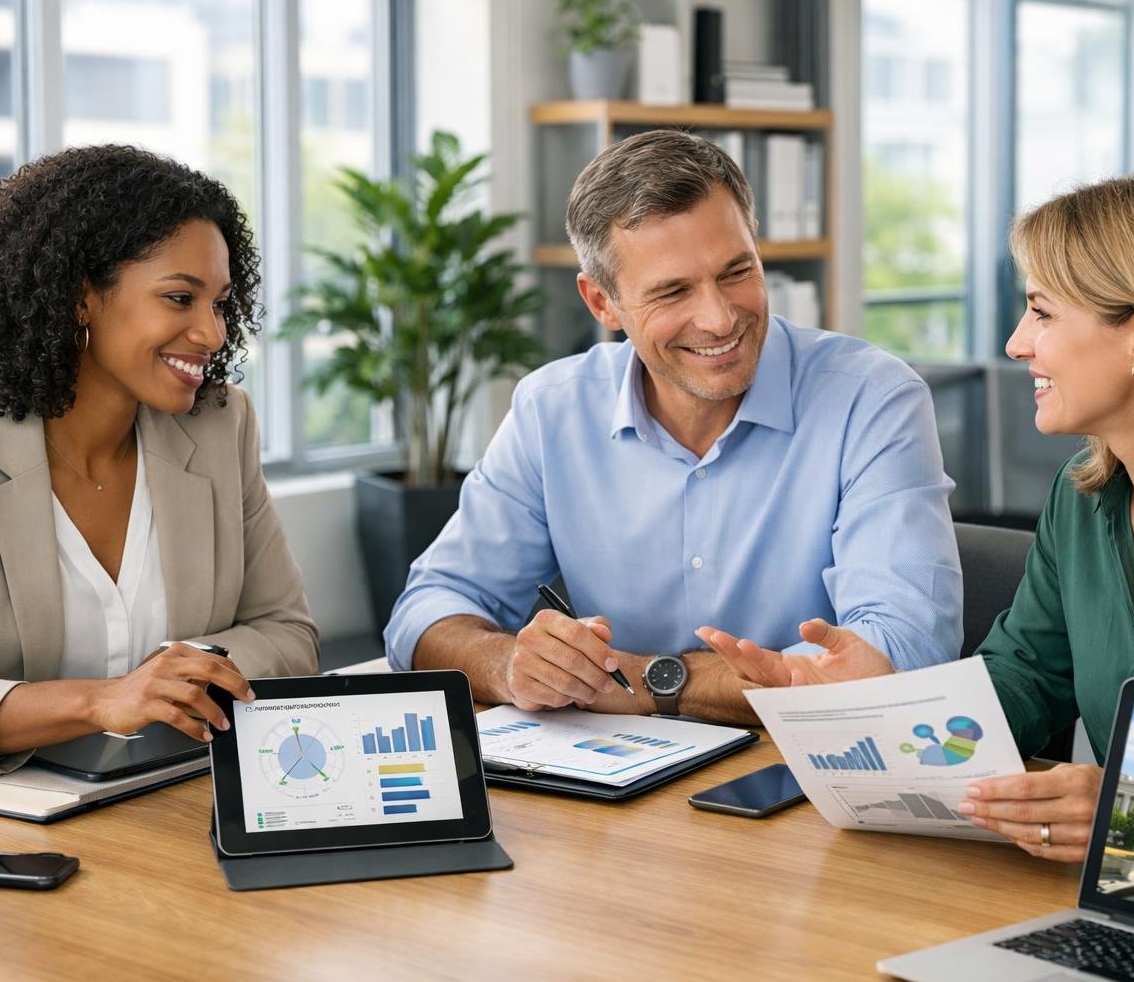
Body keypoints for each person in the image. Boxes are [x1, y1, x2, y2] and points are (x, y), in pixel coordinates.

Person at [700, 168, 1134, 859]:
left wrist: (1131, 815)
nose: (1017, 343)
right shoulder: (1085, 498)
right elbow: (1025, 681)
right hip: (1121, 910)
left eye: (1043, 312)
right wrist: (877, 711)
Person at [384, 129, 961, 724]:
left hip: (811, 778)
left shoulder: (872, 398)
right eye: (673, 291)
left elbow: (905, 650)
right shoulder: (551, 409)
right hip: (616, 781)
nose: (718, 318)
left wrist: (651, 681)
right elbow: (425, 613)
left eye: (737, 271)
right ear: (601, 302)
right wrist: (509, 663)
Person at [0, 145, 319, 774]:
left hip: (174, 797)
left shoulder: (220, 424)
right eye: (180, 298)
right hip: (12, 821)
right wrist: (101, 702)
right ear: (79, 297)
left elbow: (287, 634)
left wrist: (175, 679)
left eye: (220, 303)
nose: (212, 333)